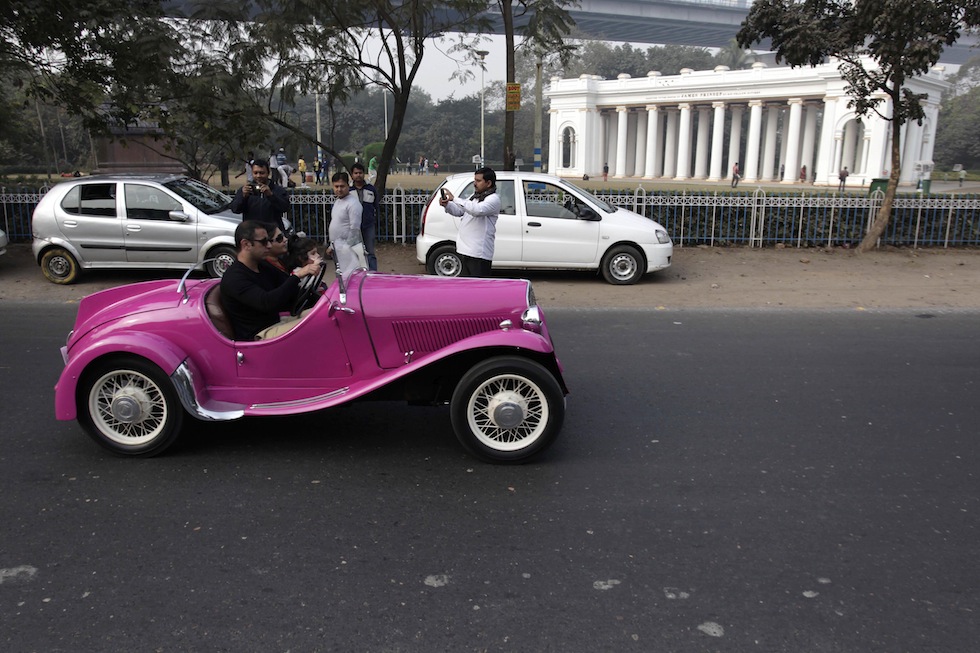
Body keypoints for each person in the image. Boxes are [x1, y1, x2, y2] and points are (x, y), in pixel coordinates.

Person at [220, 221, 321, 341]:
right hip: (260, 335)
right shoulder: (235, 278)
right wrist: (297, 276)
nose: (268, 245)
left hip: (277, 323)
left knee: (325, 314)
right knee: (320, 325)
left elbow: (286, 287)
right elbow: (267, 302)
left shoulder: (262, 266)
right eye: (263, 242)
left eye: (268, 240)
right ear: (246, 244)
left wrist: (324, 300)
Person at [439, 167, 500, 278]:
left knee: (479, 290)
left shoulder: (493, 199)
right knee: (467, 289)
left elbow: (477, 210)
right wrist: (447, 205)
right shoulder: (475, 197)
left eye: (478, 181)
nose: (475, 184)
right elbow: (459, 211)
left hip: (478, 253)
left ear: (489, 183)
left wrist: (455, 199)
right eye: (474, 180)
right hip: (464, 250)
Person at [229, 158, 291, 234]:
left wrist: (271, 195)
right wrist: (243, 196)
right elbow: (235, 209)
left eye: (262, 173)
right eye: (255, 173)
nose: (258, 176)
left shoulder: (278, 190)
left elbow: (285, 207)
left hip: (272, 234)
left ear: (268, 173)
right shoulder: (246, 190)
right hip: (253, 235)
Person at [327, 171, 363, 279]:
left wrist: (346, 248)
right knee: (341, 278)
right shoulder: (338, 201)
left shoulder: (353, 204)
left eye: (342, 186)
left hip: (347, 249)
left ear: (348, 185)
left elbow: (355, 229)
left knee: (350, 279)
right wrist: (331, 246)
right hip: (337, 248)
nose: (339, 189)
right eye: (336, 186)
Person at [351, 162, 379, 271]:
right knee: (354, 252)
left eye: (360, 173)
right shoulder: (348, 190)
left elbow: (376, 206)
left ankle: (373, 274)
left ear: (364, 174)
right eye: (356, 173)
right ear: (352, 175)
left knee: (370, 252)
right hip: (353, 227)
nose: (358, 175)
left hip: (368, 225)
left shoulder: (371, 189)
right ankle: (356, 274)